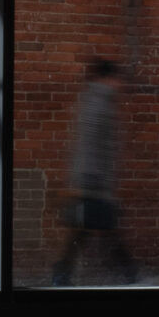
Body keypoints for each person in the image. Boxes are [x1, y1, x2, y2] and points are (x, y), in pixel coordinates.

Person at [51, 58, 135, 286]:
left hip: (93, 182)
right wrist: (93, 182)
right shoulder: (99, 103)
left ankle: (62, 275)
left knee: (83, 232)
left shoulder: (98, 101)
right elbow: (89, 143)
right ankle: (131, 276)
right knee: (106, 231)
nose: (120, 84)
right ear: (107, 78)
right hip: (93, 184)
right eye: (117, 79)